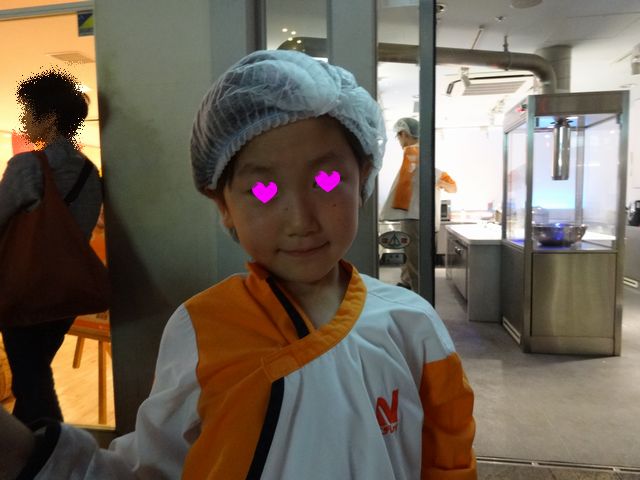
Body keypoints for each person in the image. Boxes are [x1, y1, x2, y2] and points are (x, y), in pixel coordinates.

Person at [0, 50, 476, 480]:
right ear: (223, 205)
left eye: (328, 180)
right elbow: (152, 468)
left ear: (363, 177)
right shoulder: (201, 327)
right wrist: (28, 455)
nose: (300, 220)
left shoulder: (412, 325)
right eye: (263, 190)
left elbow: (450, 458)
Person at [0, 70, 102, 425]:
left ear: (50, 118)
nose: (24, 120)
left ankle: (56, 451)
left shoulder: (27, 166)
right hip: (66, 291)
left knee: (32, 385)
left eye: (29, 111)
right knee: (34, 377)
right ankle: (33, 450)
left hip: (25, 288)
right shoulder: (90, 173)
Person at [379, 117, 457, 292]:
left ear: (404, 134)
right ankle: (406, 281)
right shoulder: (424, 159)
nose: (399, 141)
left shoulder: (413, 153)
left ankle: (418, 292)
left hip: (414, 217)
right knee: (411, 254)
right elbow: (452, 187)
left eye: (399, 137)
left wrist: (437, 181)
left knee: (416, 259)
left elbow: (405, 187)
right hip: (417, 217)